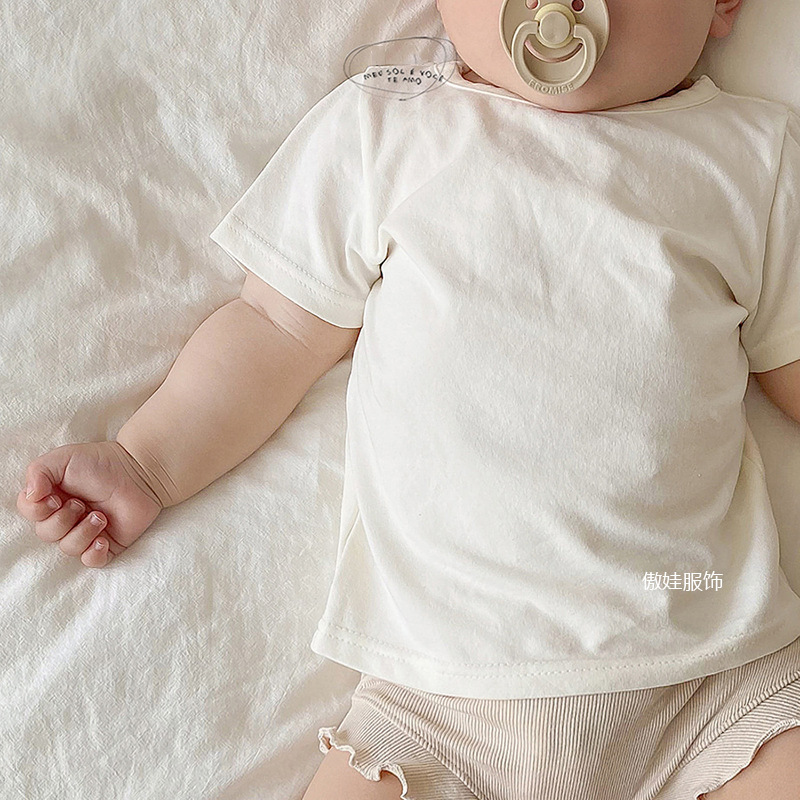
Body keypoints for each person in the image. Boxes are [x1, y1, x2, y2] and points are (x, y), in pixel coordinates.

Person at [16, 0, 800, 797]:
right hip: (438, 708)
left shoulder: (753, 157)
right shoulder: (387, 125)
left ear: (722, 5)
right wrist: (147, 464)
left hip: (716, 683)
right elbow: (275, 328)